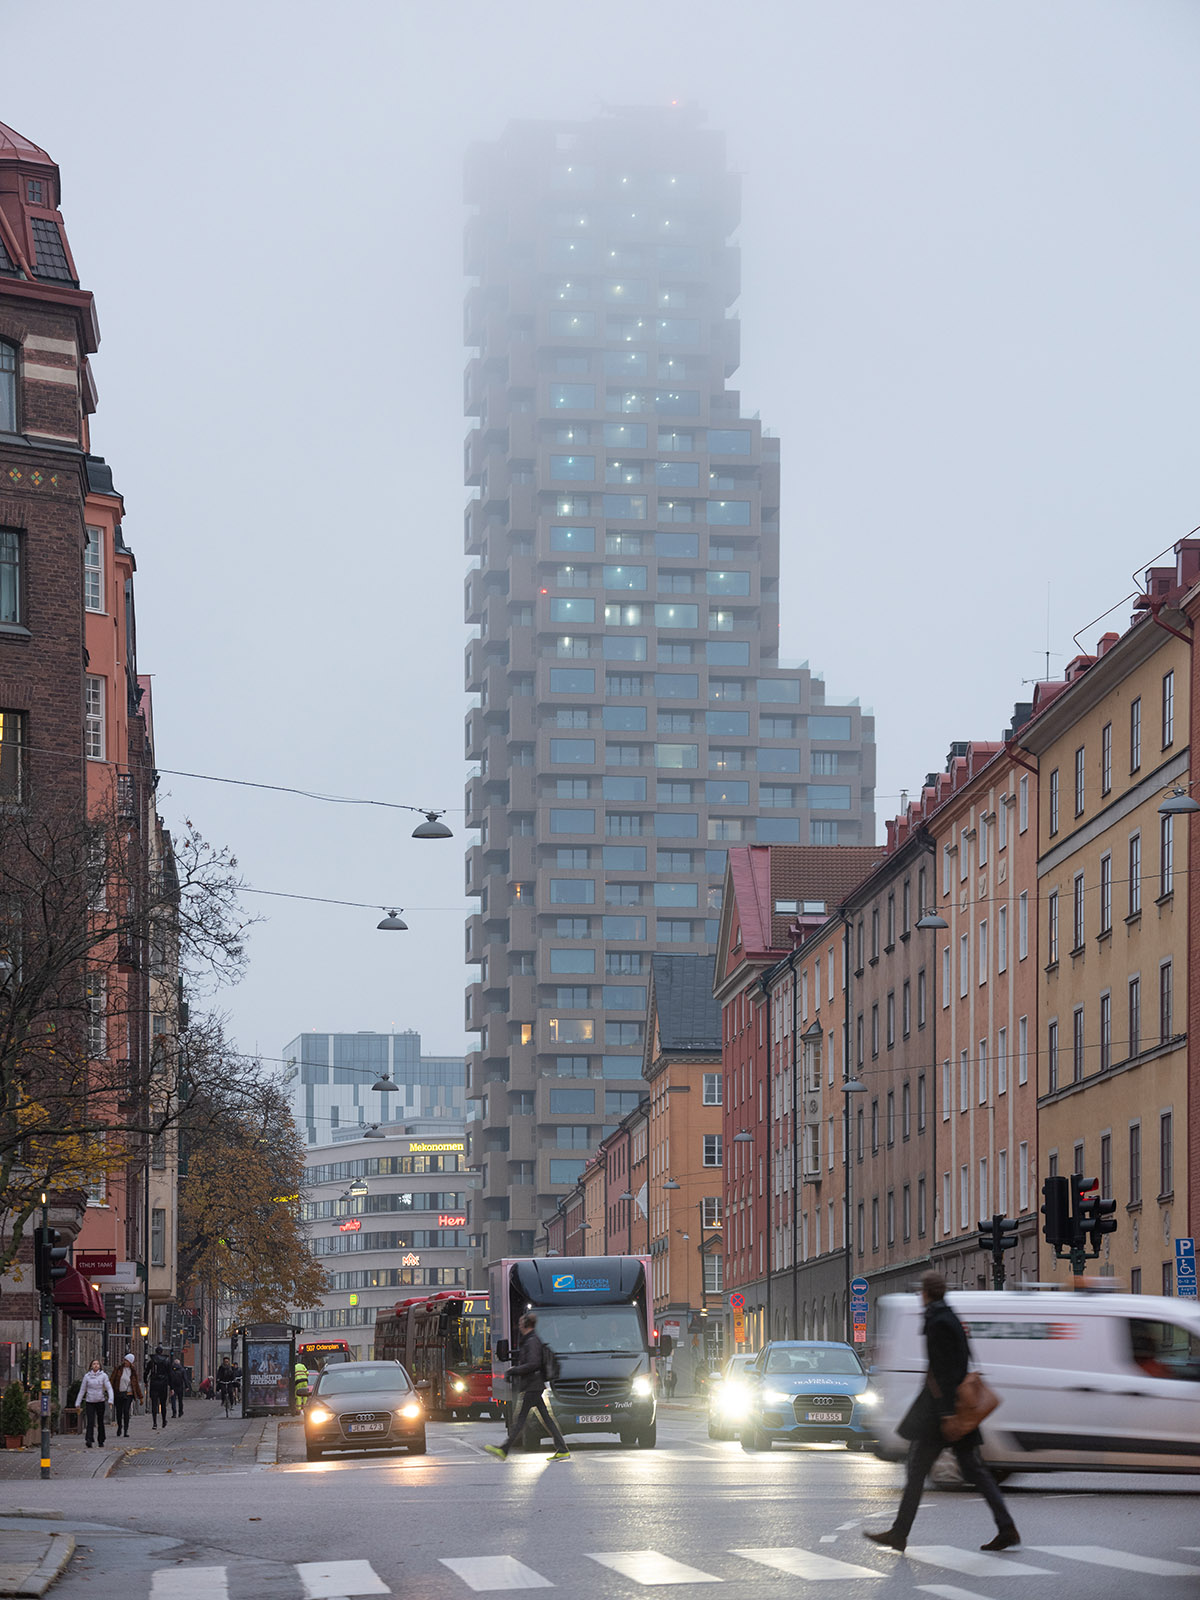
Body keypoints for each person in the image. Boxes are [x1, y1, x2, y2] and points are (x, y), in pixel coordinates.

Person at [865, 1272, 1018, 1555]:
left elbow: (940, 1370)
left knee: (917, 1470)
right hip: (957, 1406)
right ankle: (1006, 1527)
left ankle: (899, 1533)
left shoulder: (936, 1322)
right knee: (975, 1471)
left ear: (925, 1293)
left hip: (942, 1414)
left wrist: (947, 1414)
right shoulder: (951, 1316)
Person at [484, 1312, 570, 1461]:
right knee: (545, 1419)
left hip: (532, 1386)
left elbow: (533, 1363)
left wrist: (513, 1370)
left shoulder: (532, 1341)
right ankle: (562, 1449)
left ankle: (504, 1449)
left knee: (520, 1420)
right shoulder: (531, 1340)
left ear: (525, 1325)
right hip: (534, 1386)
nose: (518, 1326)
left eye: (520, 1323)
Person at [74, 1359, 114, 1449]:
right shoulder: (87, 1376)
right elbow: (82, 1390)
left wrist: (110, 1400)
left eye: (97, 1364)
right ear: (91, 1366)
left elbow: (109, 1388)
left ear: (100, 1366)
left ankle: (101, 1440)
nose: (95, 1365)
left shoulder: (103, 1376)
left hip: (100, 1400)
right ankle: (89, 1439)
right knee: (90, 1421)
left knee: (100, 1421)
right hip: (90, 1401)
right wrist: (78, 1402)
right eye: (94, 1364)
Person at [110, 1352, 142, 1438]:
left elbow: (136, 1385)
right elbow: (112, 1380)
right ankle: (120, 1426)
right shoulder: (118, 1369)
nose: (125, 1362)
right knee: (119, 1412)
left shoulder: (133, 1372)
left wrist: (140, 1397)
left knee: (126, 1411)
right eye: (125, 1360)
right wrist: (110, 1391)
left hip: (128, 1394)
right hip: (119, 1393)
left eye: (127, 1361)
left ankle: (126, 1430)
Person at [144, 1344, 172, 1429]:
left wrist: (145, 1381)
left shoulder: (152, 1361)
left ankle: (155, 1423)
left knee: (154, 1403)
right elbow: (170, 1374)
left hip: (154, 1383)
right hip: (163, 1384)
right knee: (163, 1404)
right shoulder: (166, 1361)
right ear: (162, 1352)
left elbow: (146, 1372)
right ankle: (163, 1421)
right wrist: (171, 1386)